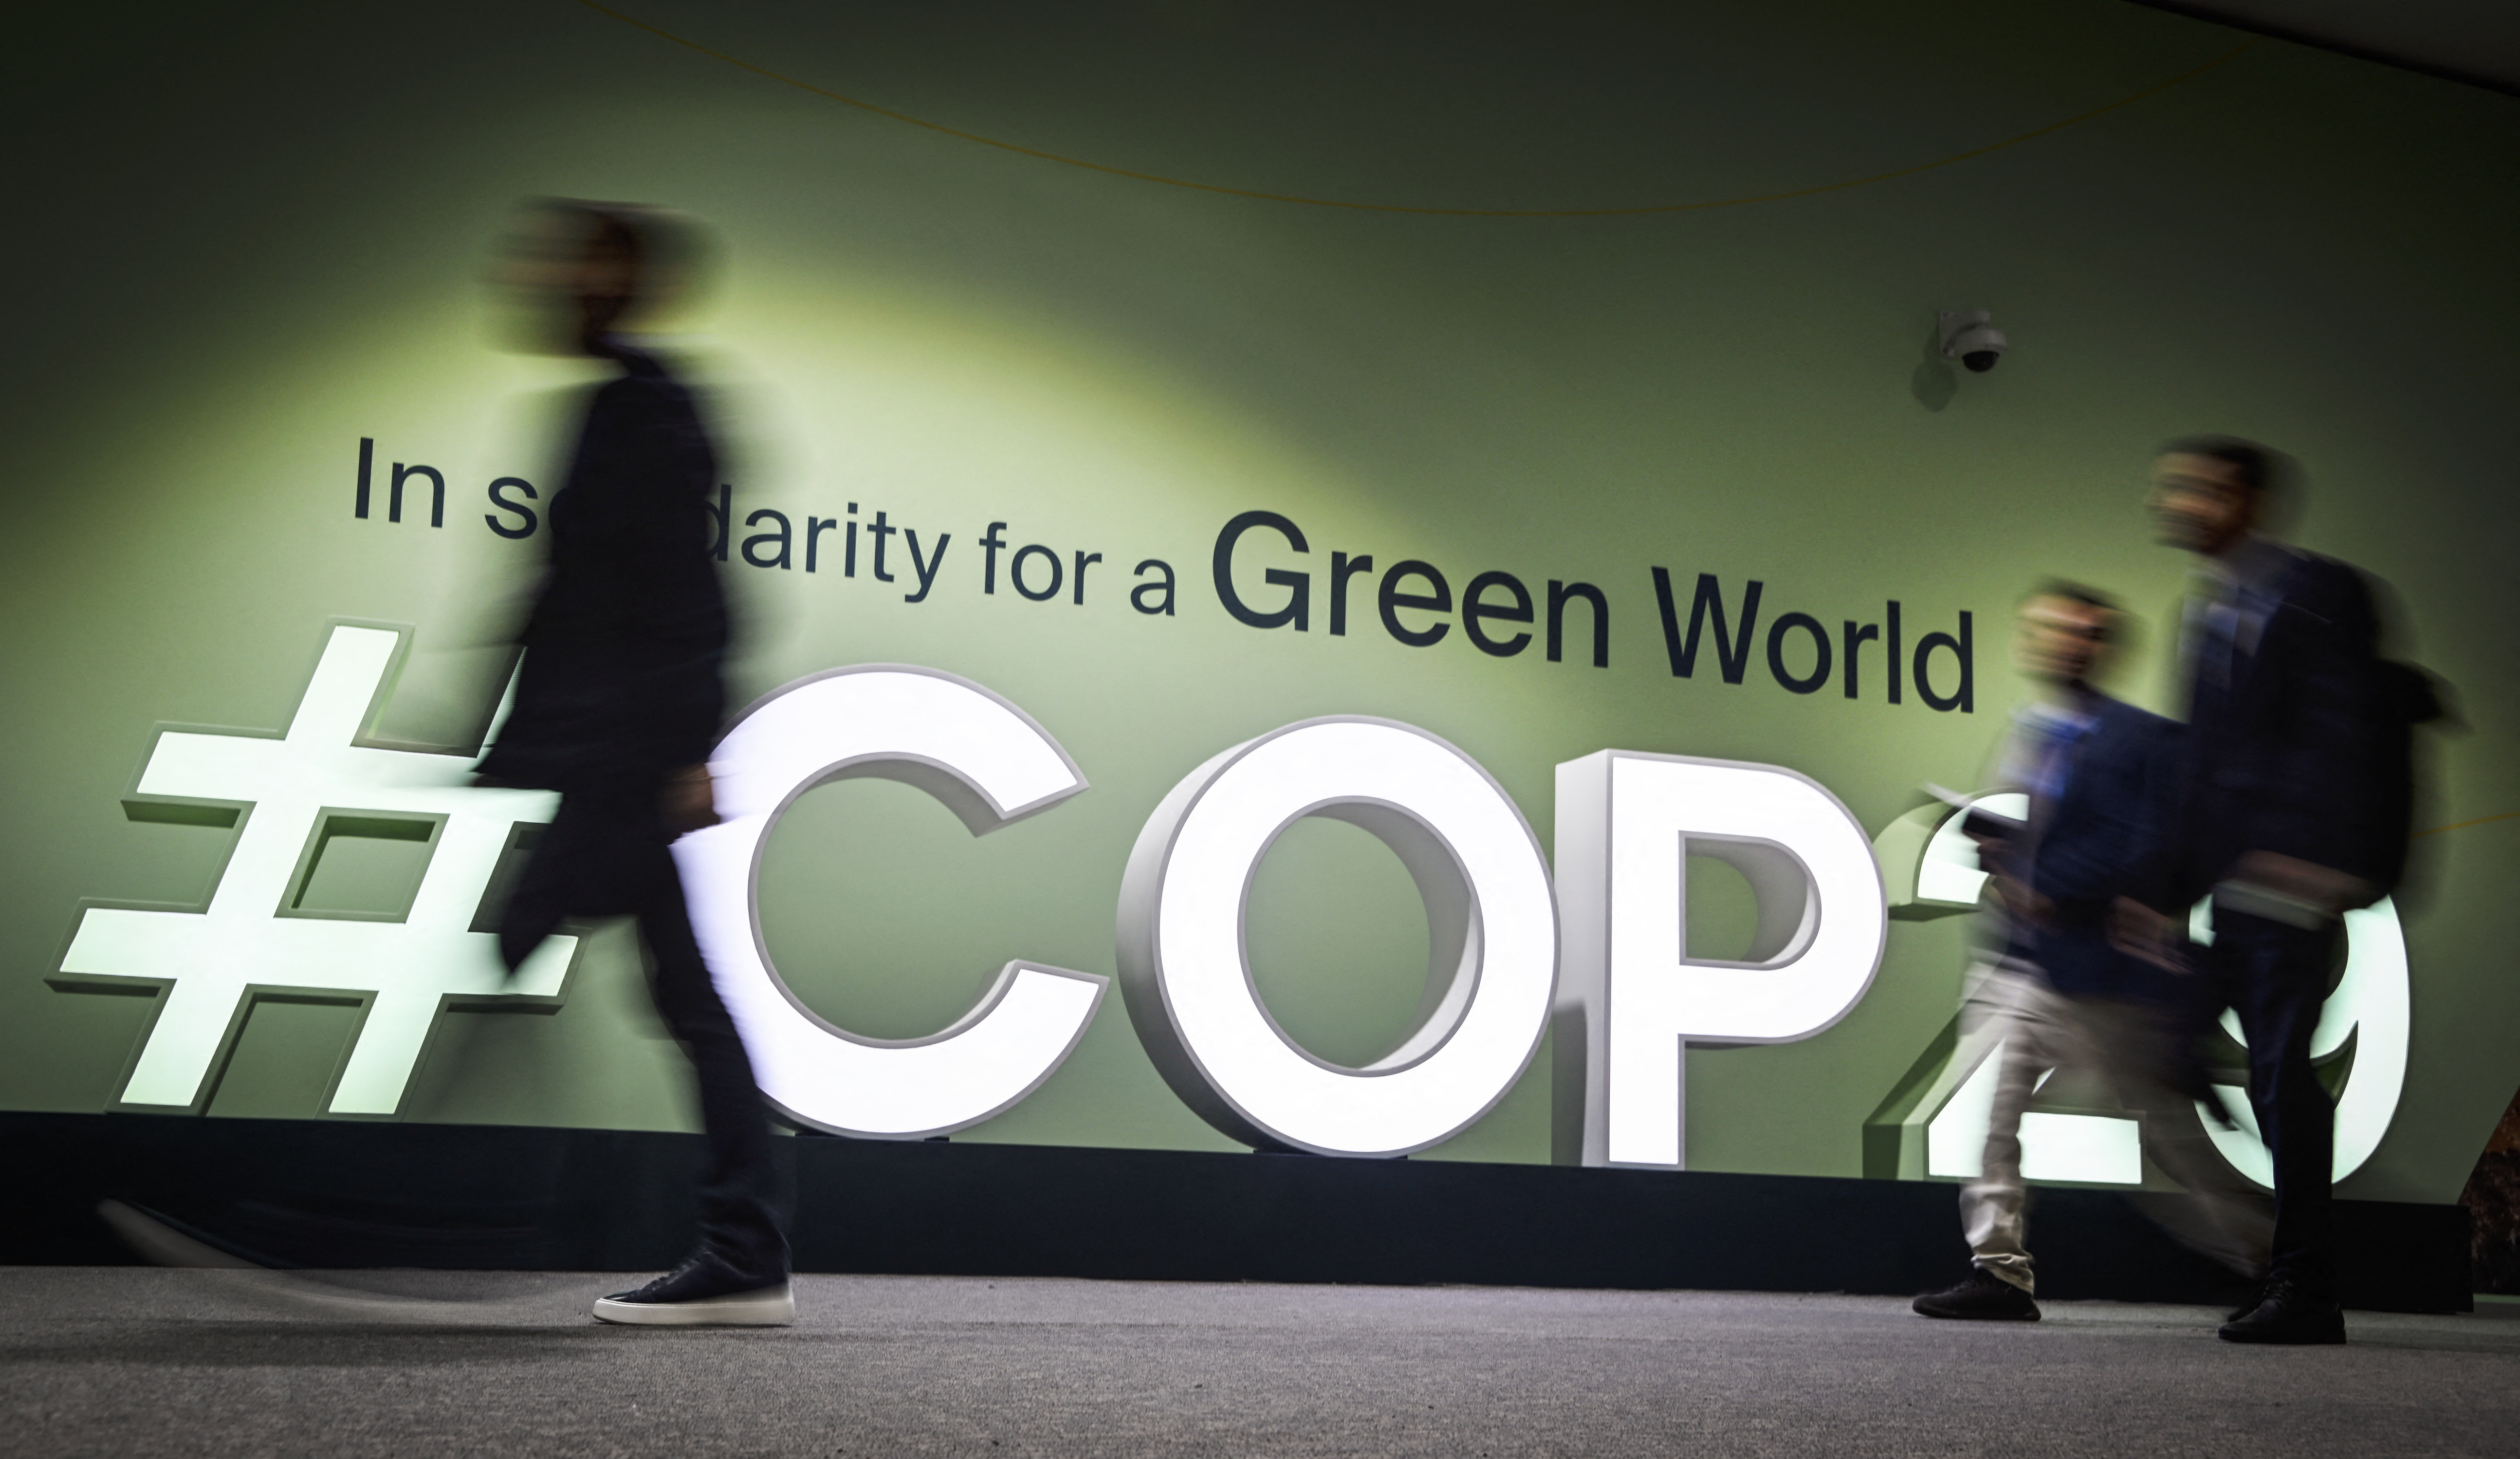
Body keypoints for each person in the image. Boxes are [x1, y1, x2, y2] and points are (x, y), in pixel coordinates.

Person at [478, 200, 792, 1327]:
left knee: (520, 943)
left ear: (627, 277)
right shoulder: (620, 406)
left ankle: (398, 1220)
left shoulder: (647, 412)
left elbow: (685, 593)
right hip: (614, 746)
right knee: (680, 995)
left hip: (629, 751)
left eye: (580, 257)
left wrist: (684, 750)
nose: (553, 274)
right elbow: (571, 597)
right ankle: (745, 1248)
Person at [1912, 584, 2272, 1323]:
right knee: (1990, 1117)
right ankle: (1999, 1273)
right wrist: (2001, 851)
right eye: (2048, 630)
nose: (2062, 644)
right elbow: (2057, 836)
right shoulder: (2031, 733)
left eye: (2080, 633)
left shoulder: (2140, 737)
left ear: (2104, 647)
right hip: (2018, 960)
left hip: (2100, 974)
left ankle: (2270, 1259)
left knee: (2163, 1143)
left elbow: (2144, 848)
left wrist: (2051, 886)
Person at [2135, 437, 2399, 1346]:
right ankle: (2280, 1266)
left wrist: (2333, 863)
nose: (2173, 502)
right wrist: (2165, 895)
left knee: (2283, 1078)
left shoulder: (2324, 594)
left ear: (2241, 497)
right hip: (2232, 894)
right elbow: (2204, 768)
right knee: (2172, 1044)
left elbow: (2349, 736)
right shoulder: (2204, 615)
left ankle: (2305, 1286)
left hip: (2298, 882)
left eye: (2193, 489)